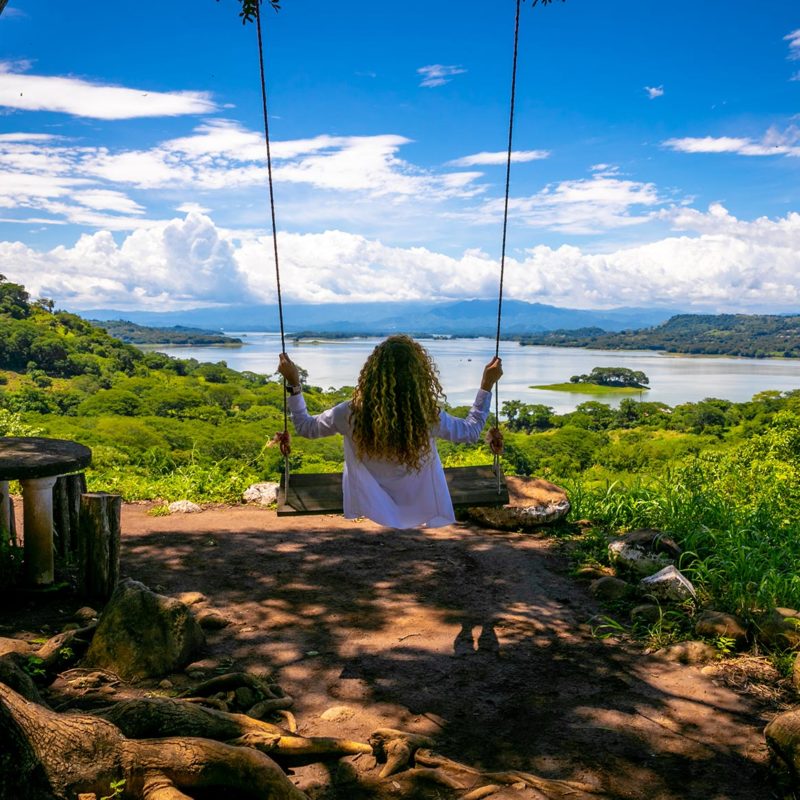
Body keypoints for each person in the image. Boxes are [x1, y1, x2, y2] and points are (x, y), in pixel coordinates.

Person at [277, 335, 502, 529]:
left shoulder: (349, 413)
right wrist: (486, 385)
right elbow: (470, 431)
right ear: (418, 376)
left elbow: (306, 427)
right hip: (417, 502)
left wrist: (294, 384)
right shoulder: (425, 416)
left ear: (373, 371)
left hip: (368, 501)